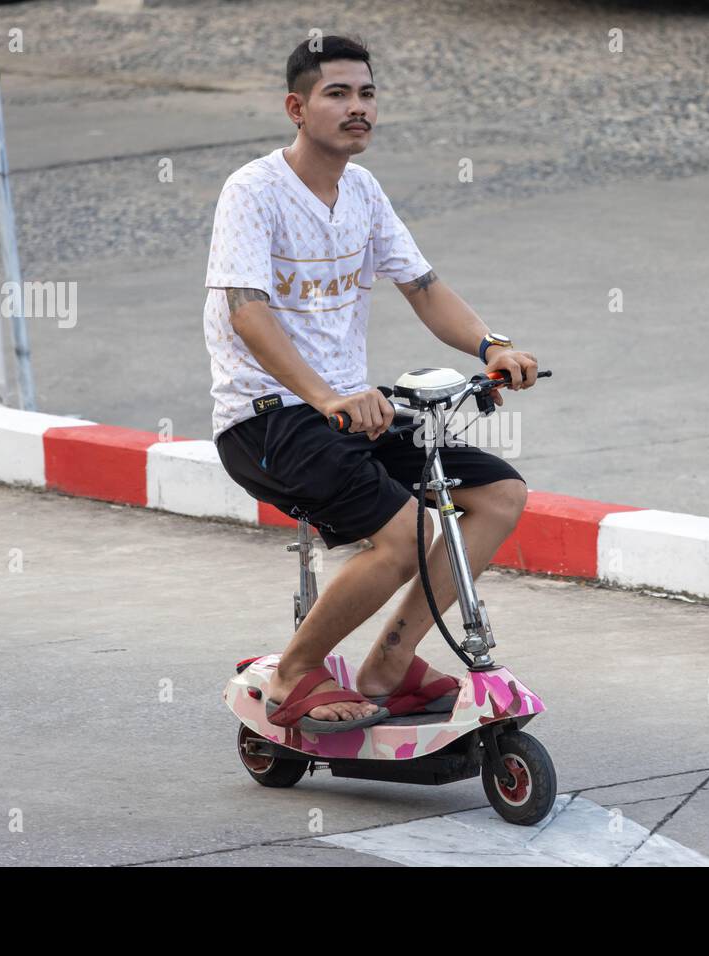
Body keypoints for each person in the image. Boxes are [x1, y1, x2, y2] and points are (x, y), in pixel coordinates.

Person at [207, 35, 539, 733]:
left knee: (498, 496)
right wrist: (324, 395)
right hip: (267, 417)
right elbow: (247, 314)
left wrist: (491, 344)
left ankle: (391, 659)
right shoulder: (254, 191)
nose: (357, 108)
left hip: (353, 412)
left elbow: (422, 287)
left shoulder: (362, 190)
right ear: (296, 108)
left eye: (366, 94)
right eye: (337, 94)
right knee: (403, 537)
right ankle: (297, 673)